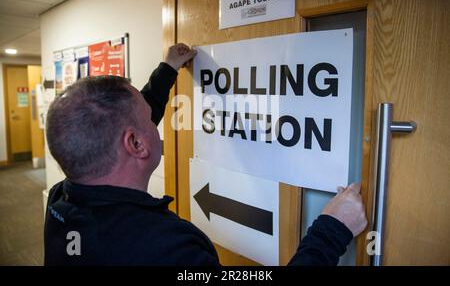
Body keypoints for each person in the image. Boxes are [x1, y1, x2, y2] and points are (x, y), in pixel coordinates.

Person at [44, 43, 367, 266]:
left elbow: (126, 123)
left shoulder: (62, 201)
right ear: (136, 145)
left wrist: (167, 70)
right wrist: (333, 229)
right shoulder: (168, 248)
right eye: (148, 119)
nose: (154, 122)